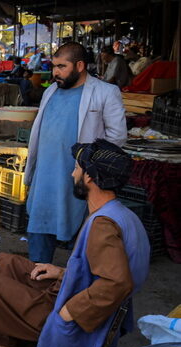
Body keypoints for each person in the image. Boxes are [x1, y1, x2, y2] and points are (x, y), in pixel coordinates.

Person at [0, 139, 150, 347]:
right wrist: (62, 272)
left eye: (77, 169)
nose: (73, 174)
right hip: (70, 290)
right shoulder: (121, 213)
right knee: (6, 262)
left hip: (67, 310)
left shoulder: (104, 225)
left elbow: (117, 283)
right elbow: (103, 269)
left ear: (90, 178)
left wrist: (69, 312)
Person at [24, 42, 127, 264]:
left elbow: (117, 137)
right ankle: (37, 280)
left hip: (81, 179)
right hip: (45, 178)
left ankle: (74, 286)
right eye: (54, 66)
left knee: (82, 241)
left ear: (80, 65)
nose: (55, 72)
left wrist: (90, 162)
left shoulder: (105, 92)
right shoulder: (50, 91)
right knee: (39, 230)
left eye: (62, 66)